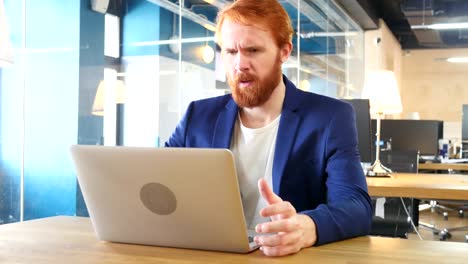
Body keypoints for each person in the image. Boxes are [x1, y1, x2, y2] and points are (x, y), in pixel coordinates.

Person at [165, 0, 372, 257]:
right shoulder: (198, 116)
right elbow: (156, 184)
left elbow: (356, 207)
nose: (240, 64)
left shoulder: (330, 117)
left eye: (252, 50)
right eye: (230, 52)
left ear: (284, 51)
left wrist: (306, 227)